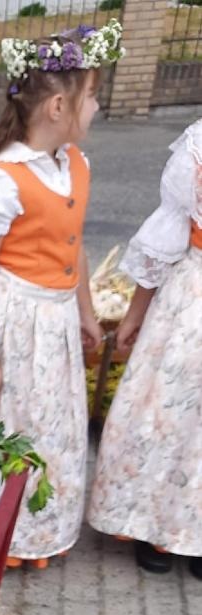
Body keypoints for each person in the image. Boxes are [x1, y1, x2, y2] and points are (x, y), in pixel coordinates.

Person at [0, 21, 123, 568]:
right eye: (92, 94)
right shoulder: (4, 181)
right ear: (56, 106)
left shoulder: (75, 164)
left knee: (54, 428)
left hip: (54, 326)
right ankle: (7, 538)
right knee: (14, 428)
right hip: (16, 324)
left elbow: (72, 248)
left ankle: (39, 533)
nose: (97, 106)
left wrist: (87, 312)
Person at [87, 118, 202, 578]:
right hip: (193, 293)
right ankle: (154, 525)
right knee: (168, 413)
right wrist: (135, 314)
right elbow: (168, 233)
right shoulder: (199, 146)